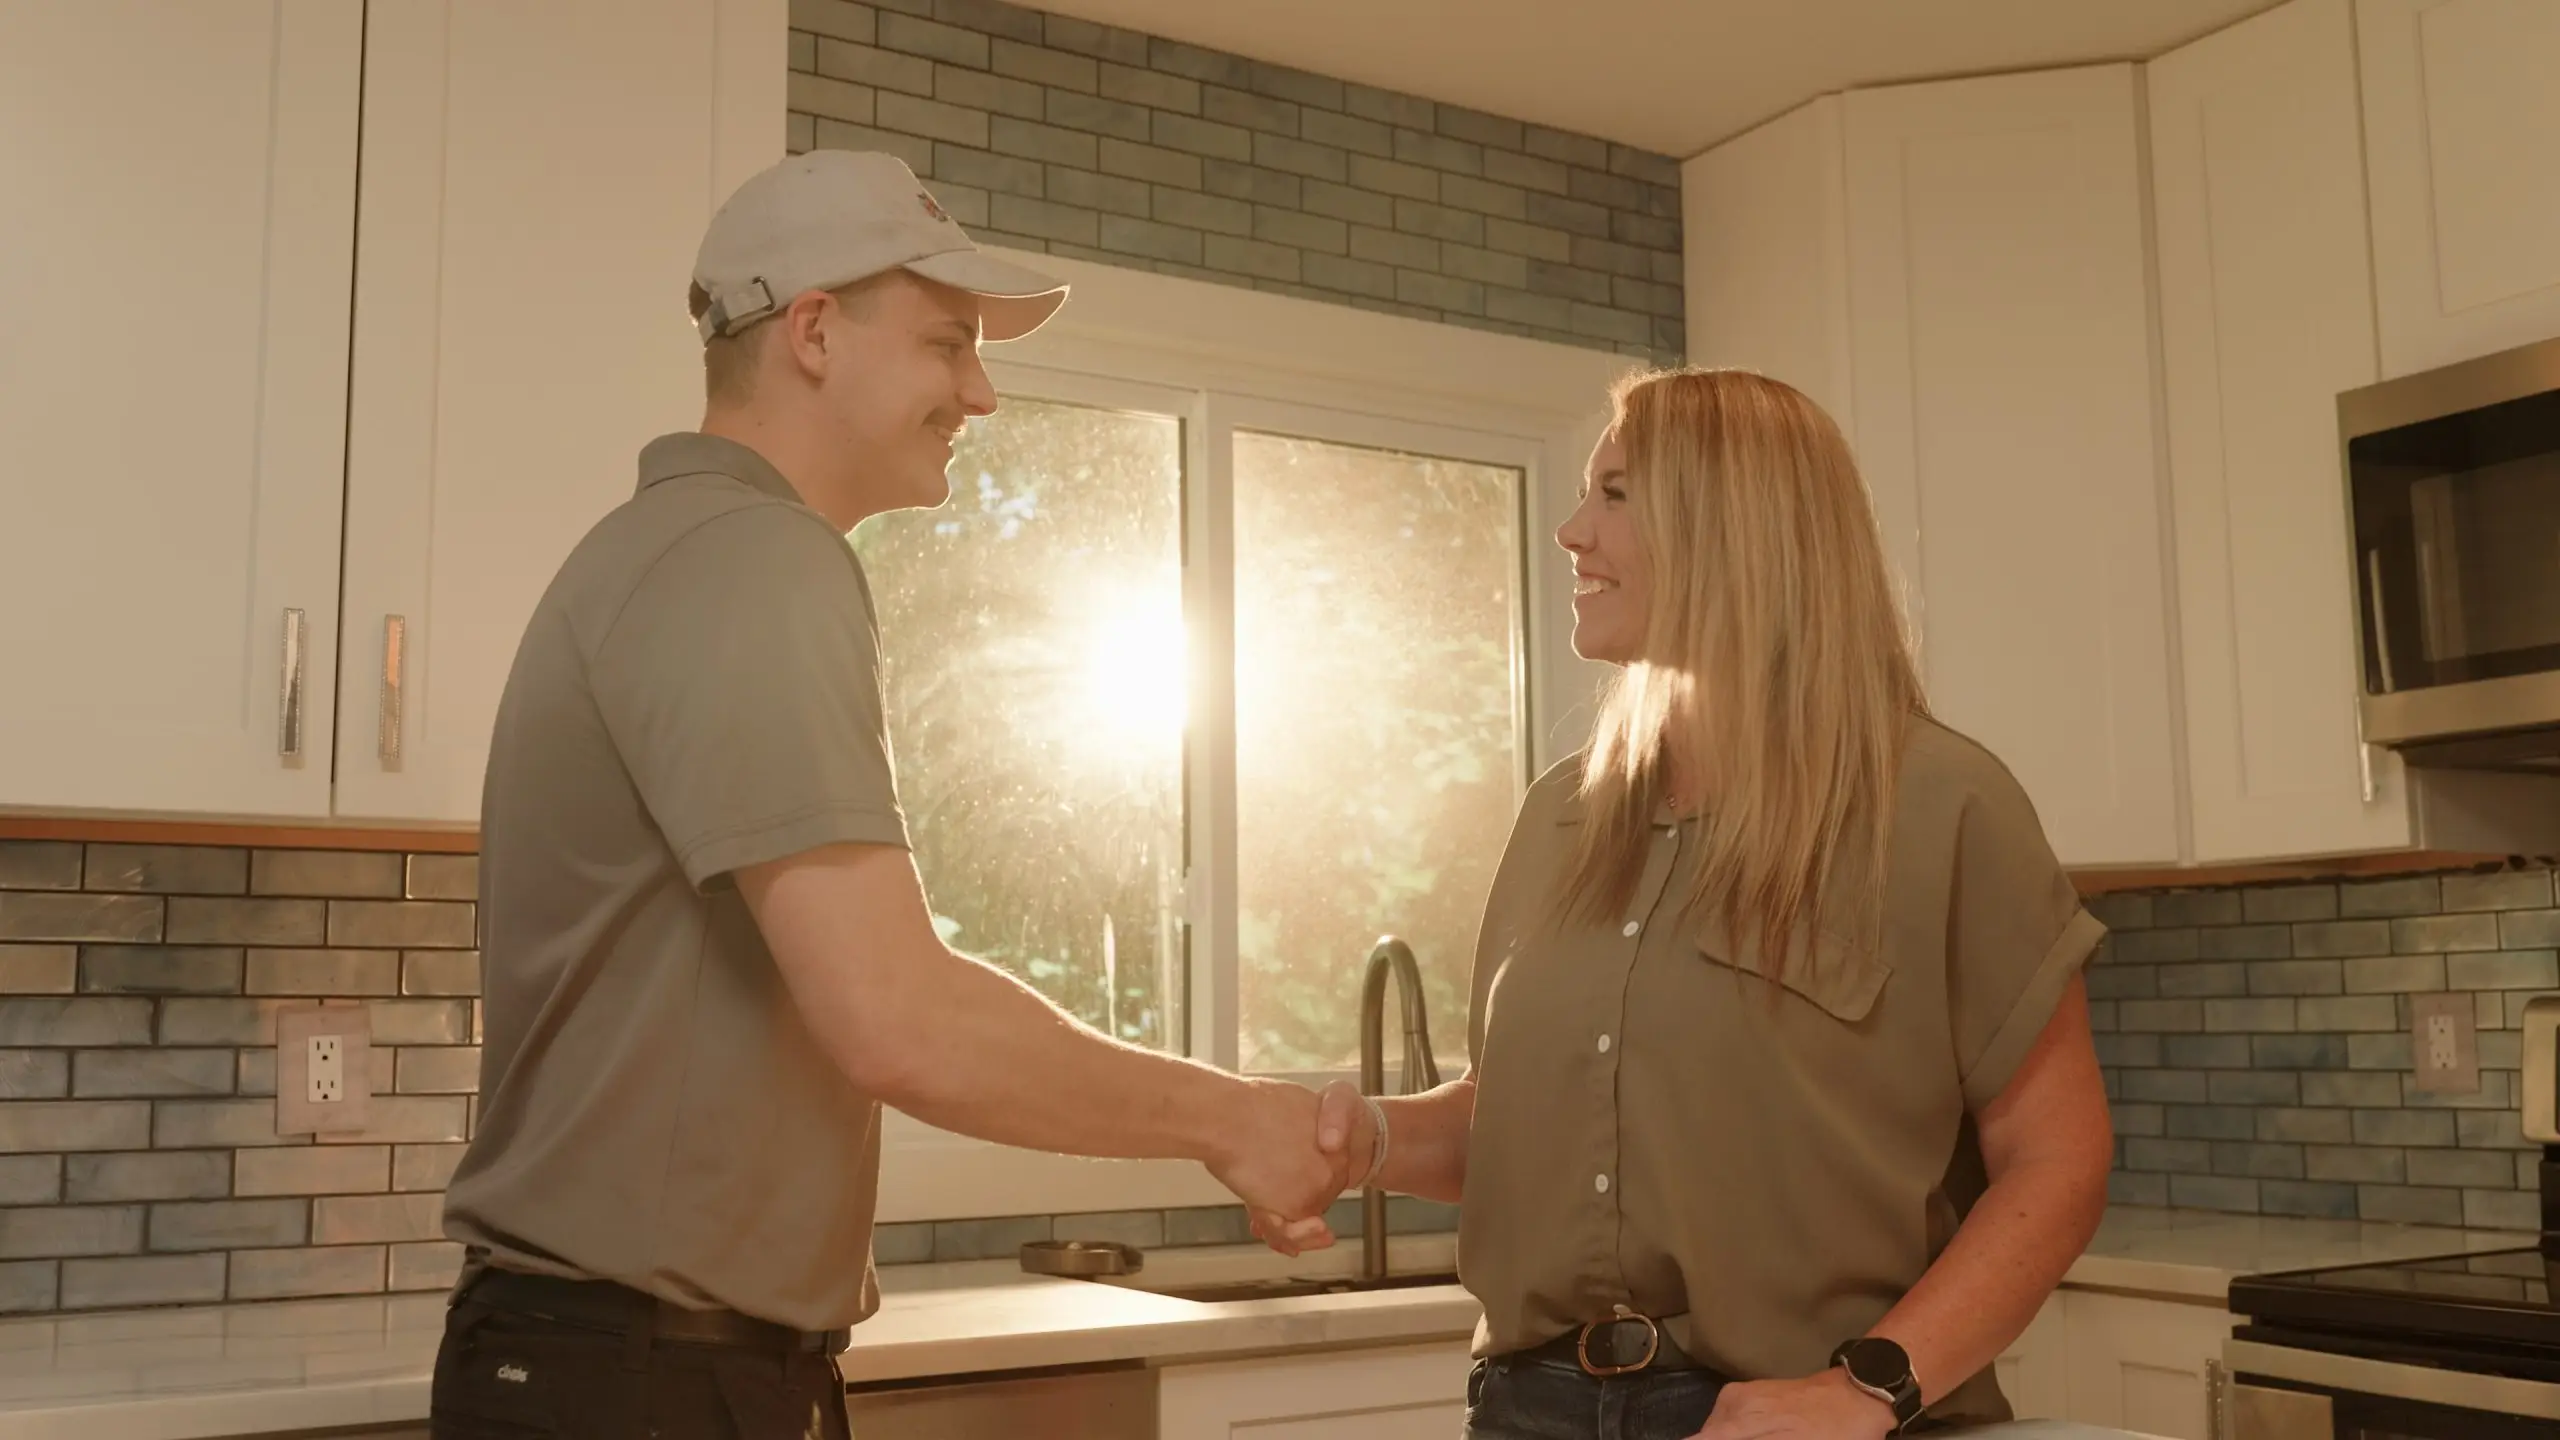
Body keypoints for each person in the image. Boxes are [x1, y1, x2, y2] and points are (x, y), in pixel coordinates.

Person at [430, 151, 1371, 1440]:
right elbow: (899, 1019)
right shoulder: (752, 558)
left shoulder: (676, 554)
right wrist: (1232, 1120)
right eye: (947, 344)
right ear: (813, 331)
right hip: (640, 1378)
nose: (978, 393)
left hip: (631, 1361)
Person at [1293, 368, 2114, 1440]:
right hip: (1524, 1410)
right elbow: (1508, 1133)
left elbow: (2057, 1159)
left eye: (1616, 493)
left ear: (1740, 526)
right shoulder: (1561, 818)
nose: (1570, 531)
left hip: (1797, 1418)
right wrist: (1358, 1140)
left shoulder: (1939, 806)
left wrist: (1867, 1390)